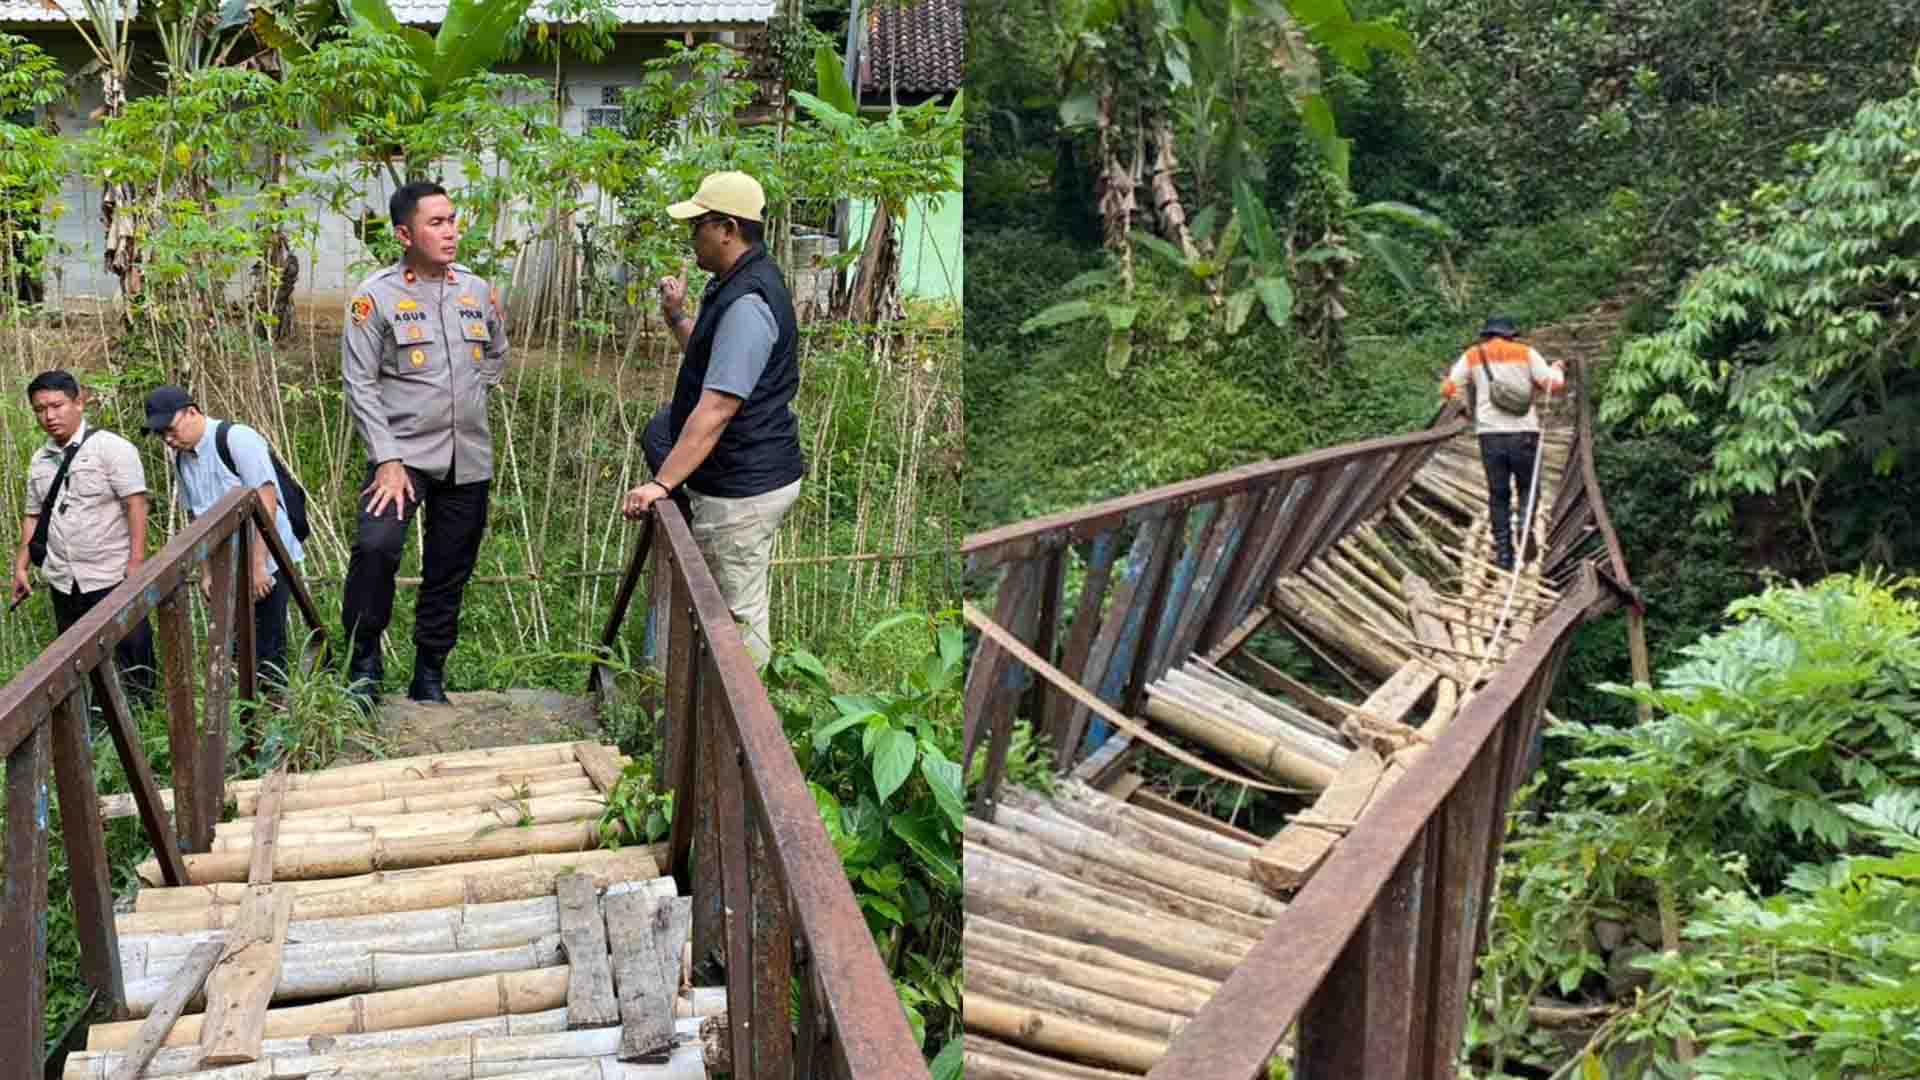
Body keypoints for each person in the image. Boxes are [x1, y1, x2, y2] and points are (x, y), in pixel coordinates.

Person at [621, 171, 804, 667]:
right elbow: (714, 361)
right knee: (724, 603)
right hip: (740, 473)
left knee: (736, 614)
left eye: (697, 225)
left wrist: (661, 484)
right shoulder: (733, 284)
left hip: (743, 486)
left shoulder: (748, 301)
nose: (691, 236)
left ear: (727, 228)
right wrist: (676, 316)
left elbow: (719, 405)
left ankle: (749, 709)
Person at [340, 181, 508, 706]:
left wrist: (467, 396)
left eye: (452, 220)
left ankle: (429, 673)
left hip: (468, 455)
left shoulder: (476, 290)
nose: (450, 232)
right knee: (376, 547)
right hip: (403, 457)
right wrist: (386, 459)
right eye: (436, 223)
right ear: (404, 235)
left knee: (449, 567)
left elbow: (497, 353)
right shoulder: (375, 297)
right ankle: (363, 664)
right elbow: (360, 383)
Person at [10, 370, 156, 698]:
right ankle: (95, 719)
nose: (49, 416)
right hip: (64, 578)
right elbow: (33, 515)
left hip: (110, 573)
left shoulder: (112, 449)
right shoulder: (40, 460)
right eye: (40, 409)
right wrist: (21, 566)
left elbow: (136, 503)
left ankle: (144, 716)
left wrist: (136, 562)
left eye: (56, 406)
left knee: (132, 656)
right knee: (78, 663)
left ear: (78, 403)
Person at [144, 386, 303, 684]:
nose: (168, 439)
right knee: (236, 646)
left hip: (268, 553)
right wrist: (206, 572)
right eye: (161, 434)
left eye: (171, 429)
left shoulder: (236, 439)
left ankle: (275, 705)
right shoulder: (181, 459)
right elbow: (198, 518)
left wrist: (259, 566)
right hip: (227, 558)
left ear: (192, 412)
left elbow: (266, 501)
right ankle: (249, 705)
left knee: (268, 645)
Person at [1440, 315, 1566, 571]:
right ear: (1510, 334)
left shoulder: (1473, 355)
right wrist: (1558, 369)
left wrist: (1464, 404)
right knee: (1528, 487)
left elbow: (1449, 388)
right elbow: (1552, 385)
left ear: (1487, 334)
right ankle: (1524, 526)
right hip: (1524, 433)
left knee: (1498, 494)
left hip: (1490, 435)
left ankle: (1504, 555)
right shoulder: (1525, 352)